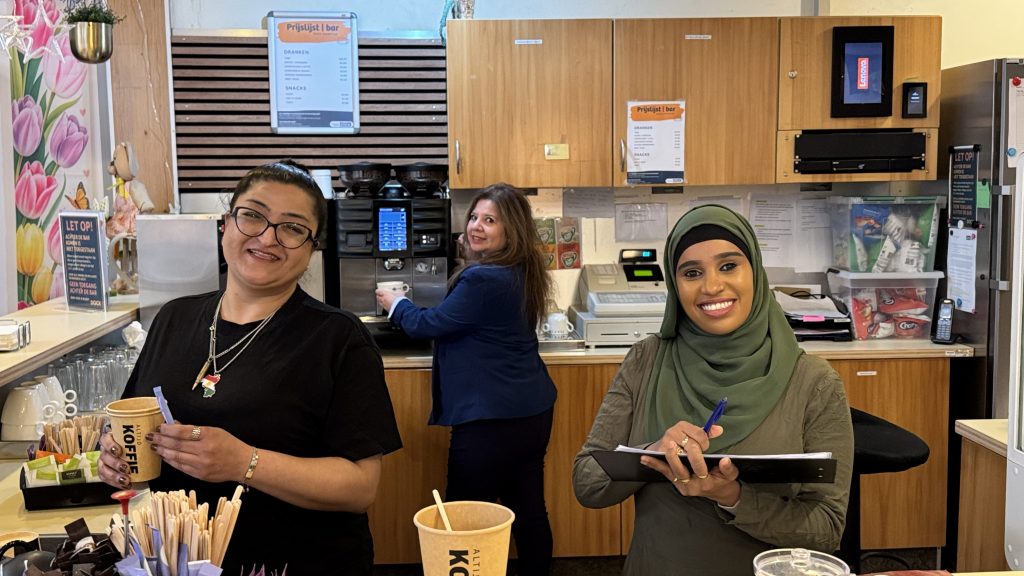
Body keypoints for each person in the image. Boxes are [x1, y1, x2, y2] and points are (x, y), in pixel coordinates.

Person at [98, 160, 402, 575]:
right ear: (227, 224)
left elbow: (360, 486)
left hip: (298, 563)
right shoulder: (174, 318)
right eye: (253, 216)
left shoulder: (337, 338)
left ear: (312, 248)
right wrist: (114, 457)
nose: (267, 237)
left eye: (292, 228)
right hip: (178, 561)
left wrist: (244, 461)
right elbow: (133, 424)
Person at [572, 204, 853, 576]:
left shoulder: (813, 382)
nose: (711, 286)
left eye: (728, 265)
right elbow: (588, 483)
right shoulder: (646, 361)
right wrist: (652, 453)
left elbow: (827, 529)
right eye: (691, 272)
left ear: (754, 270)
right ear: (675, 286)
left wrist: (732, 497)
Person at [376, 182, 556, 576]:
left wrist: (396, 304)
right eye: (474, 217)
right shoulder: (522, 271)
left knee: (464, 514)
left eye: (490, 220)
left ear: (512, 230)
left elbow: (430, 324)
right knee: (527, 509)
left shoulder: (485, 280)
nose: (476, 226)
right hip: (531, 411)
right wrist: (471, 253)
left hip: (489, 418)